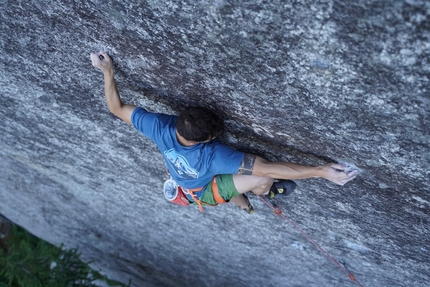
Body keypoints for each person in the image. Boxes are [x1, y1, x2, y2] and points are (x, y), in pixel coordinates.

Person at [90, 51, 358, 213]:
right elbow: (267, 169)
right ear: (206, 140)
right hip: (202, 190)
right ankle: (263, 198)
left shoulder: (160, 127)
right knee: (260, 181)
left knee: (235, 187)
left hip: (191, 179)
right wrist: (321, 171)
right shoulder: (214, 155)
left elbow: (116, 108)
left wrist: (107, 70)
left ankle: (246, 206)